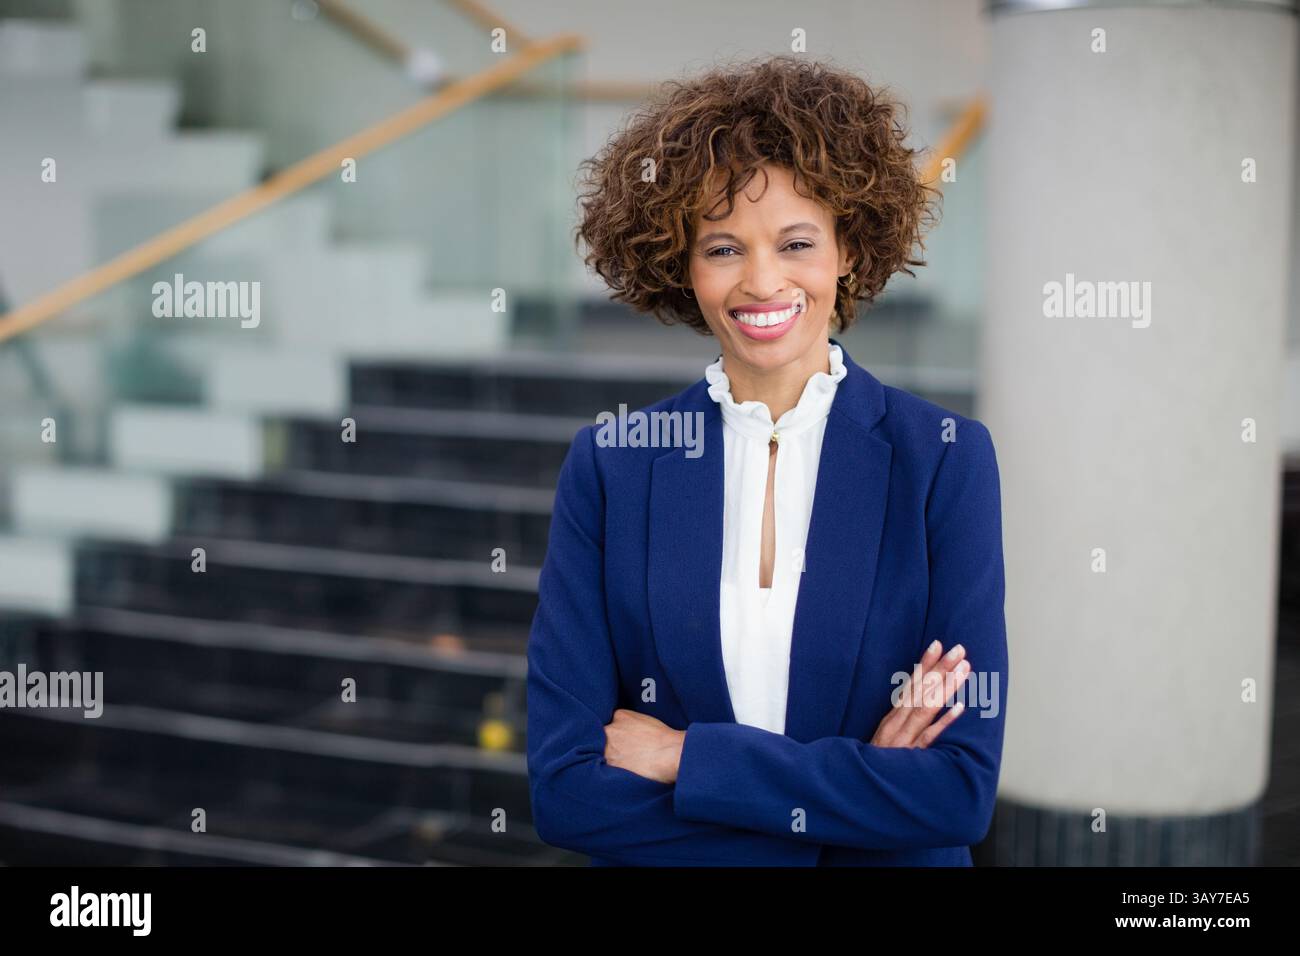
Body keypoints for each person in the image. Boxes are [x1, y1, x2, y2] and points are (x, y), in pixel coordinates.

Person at [526, 55, 1007, 866]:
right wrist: (853, 808)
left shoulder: (944, 461)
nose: (761, 282)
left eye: (795, 241)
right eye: (722, 248)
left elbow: (956, 792)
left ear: (847, 246)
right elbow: (567, 792)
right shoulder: (612, 466)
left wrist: (686, 759)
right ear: (681, 263)